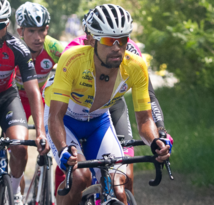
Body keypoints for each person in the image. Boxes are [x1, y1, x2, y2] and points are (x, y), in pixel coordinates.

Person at [44, 4, 172, 205]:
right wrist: (62, 149)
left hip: (98, 122)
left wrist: (155, 142)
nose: (116, 47)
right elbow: (55, 116)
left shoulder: (135, 66)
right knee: (80, 178)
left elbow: (145, 119)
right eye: (108, 40)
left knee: (119, 187)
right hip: (66, 121)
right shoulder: (73, 60)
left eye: (122, 40)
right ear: (91, 40)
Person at [0, 1, 49, 204]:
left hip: (7, 97)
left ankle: (13, 193)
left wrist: (40, 131)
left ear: (8, 24)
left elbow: (33, 91)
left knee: (19, 147)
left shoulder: (18, 48)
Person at [15, 1, 65, 121]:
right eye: (31, 31)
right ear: (20, 31)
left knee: (51, 133)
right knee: (15, 138)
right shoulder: (13, 49)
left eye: (41, 30)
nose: (37, 37)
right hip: (16, 98)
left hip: (41, 97)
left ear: (47, 29)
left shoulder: (54, 48)